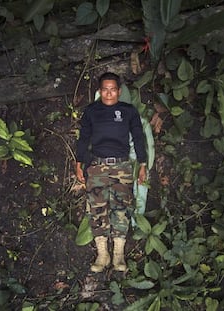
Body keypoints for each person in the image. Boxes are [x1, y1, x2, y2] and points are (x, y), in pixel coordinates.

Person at [75, 72, 147, 272]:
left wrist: (142, 164)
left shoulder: (128, 111)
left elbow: (139, 138)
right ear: (100, 91)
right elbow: (83, 138)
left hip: (122, 167)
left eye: (112, 89)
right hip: (97, 166)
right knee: (97, 208)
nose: (109, 94)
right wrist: (79, 162)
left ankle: (118, 255)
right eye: (105, 90)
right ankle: (102, 255)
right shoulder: (91, 111)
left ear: (119, 91)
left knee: (121, 208)